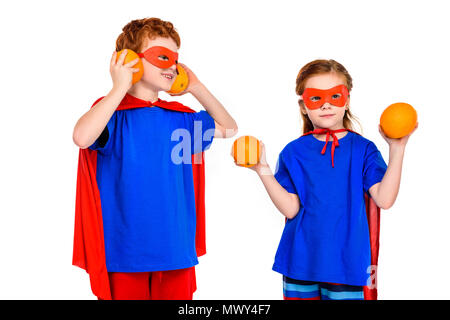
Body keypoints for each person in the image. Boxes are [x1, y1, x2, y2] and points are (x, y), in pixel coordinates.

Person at [72, 17, 237, 300]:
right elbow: (82, 137)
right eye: (162, 57)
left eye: (176, 59)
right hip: (124, 253)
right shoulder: (111, 115)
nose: (172, 66)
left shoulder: (181, 120)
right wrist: (118, 87)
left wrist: (196, 87)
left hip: (175, 251)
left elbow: (230, 127)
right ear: (130, 61)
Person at [234, 59, 417, 300]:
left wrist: (397, 148)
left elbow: (384, 199)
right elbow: (290, 209)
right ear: (303, 105)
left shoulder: (363, 149)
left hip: (346, 266)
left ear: (347, 100)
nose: (326, 105)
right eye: (316, 98)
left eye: (335, 96)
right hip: (300, 262)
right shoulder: (293, 152)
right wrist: (262, 168)